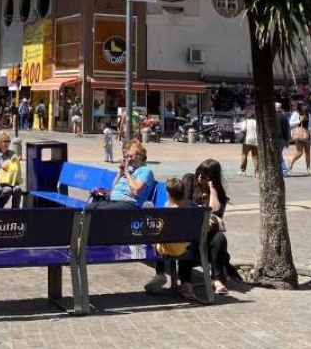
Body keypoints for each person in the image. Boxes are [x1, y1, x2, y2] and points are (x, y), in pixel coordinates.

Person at [146, 160, 233, 296]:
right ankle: (186, 283)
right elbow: (179, 202)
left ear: (213, 178)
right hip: (185, 230)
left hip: (205, 233)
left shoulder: (217, 193)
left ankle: (216, 279)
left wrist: (212, 189)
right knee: (190, 238)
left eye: (204, 177)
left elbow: (215, 211)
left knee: (219, 238)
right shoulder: (189, 180)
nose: (199, 178)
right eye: (198, 173)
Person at [94, 140, 155, 209]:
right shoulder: (130, 169)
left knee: (100, 212)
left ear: (140, 155)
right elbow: (113, 188)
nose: (129, 159)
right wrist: (121, 172)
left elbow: (136, 191)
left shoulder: (145, 171)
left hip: (130, 203)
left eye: (131, 156)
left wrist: (127, 173)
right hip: (114, 201)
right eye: (127, 157)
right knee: (90, 208)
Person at [0, 131, 23, 208]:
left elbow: (16, 169)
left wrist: (16, 162)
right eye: (5, 141)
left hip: (12, 181)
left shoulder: (12, 153)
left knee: (18, 189)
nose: (7, 143)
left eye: (8, 141)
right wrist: (1, 170)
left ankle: (15, 212)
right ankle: (0, 207)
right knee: (7, 190)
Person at [287, 104, 311, 176]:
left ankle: (308, 169)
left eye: (306, 105)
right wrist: (299, 121)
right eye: (303, 105)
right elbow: (291, 123)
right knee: (299, 152)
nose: (305, 106)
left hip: (306, 134)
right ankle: (291, 163)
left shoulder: (308, 114)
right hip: (299, 134)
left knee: (308, 152)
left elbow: (310, 124)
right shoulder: (296, 114)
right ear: (300, 106)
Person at [238, 112, 258, 177]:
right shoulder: (256, 122)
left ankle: (243, 171)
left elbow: (243, 129)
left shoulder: (245, 122)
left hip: (247, 141)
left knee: (244, 155)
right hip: (256, 141)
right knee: (255, 157)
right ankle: (256, 172)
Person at [276, 102, 290, 177]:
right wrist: (287, 140)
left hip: (276, 139)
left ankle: (284, 171)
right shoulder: (284, 117)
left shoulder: (272, 117)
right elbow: (286, 130)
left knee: (278, 155)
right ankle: (282, 171)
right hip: (282, 139)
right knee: (279, 154)